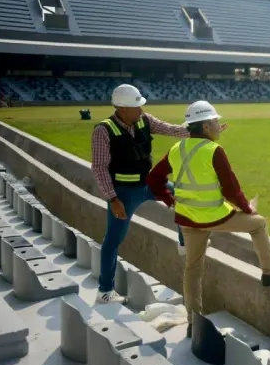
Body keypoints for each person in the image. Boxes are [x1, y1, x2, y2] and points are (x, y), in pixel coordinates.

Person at [146, 100, 270, 337]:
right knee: (258, 224)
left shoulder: (178, 148)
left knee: (193, 269)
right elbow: (231, 189)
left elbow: (154, 179)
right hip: (213, 217)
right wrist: (248, 208)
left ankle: (194, 323)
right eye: (215, 121)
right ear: (205, 126)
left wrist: (171, 201)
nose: (218, 124)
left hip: (187, 219)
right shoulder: (214, 151)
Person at [91, 84, 223, 304]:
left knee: (181, 197)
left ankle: (183, 243)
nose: (141, 111)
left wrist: (203, 132)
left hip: (149, 184)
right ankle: (105, 291)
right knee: (113, 240)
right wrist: (112, 199)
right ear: (123, 109)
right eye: (137, 107)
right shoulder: (103, 131)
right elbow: (99, 167)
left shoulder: (144, 120)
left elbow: (172, 130)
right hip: (122, 193)